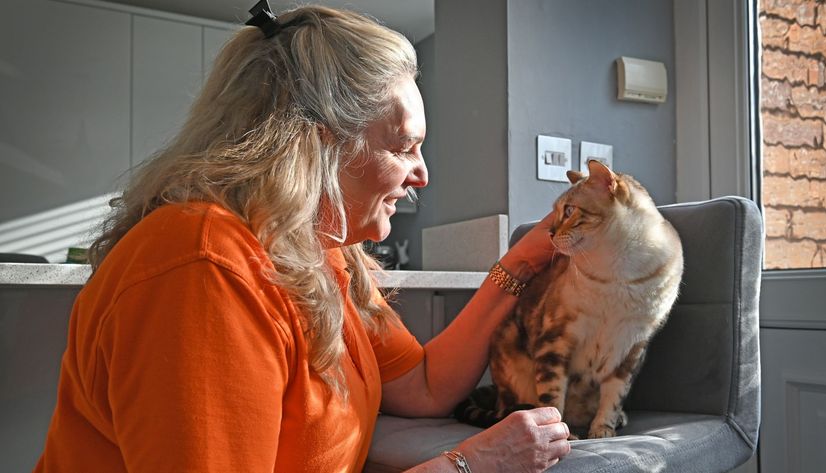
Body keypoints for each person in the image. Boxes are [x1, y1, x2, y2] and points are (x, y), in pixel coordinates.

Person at [34, 2, 571, 472]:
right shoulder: (205, 267)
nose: (422, 173)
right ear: (317, 145)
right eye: (404, 146)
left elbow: (425, 384)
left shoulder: (321, 253)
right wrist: (468, 467)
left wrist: (521, 263)